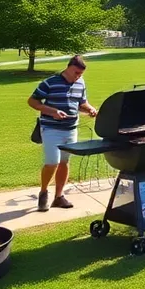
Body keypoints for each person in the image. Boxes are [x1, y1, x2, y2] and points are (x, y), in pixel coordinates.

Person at [28, 55, 97, 212]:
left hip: (71, 128)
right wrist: (52, 111)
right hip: (51, 128)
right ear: (68, 67)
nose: (77, 76)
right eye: (76, 73)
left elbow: (81, 103)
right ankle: (44, 192)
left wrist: (90, 109)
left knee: (64, 162)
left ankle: (59, 197)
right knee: (52, 161)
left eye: (80, 74)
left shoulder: (80, 83)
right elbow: (32, 101)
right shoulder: (50, 82)